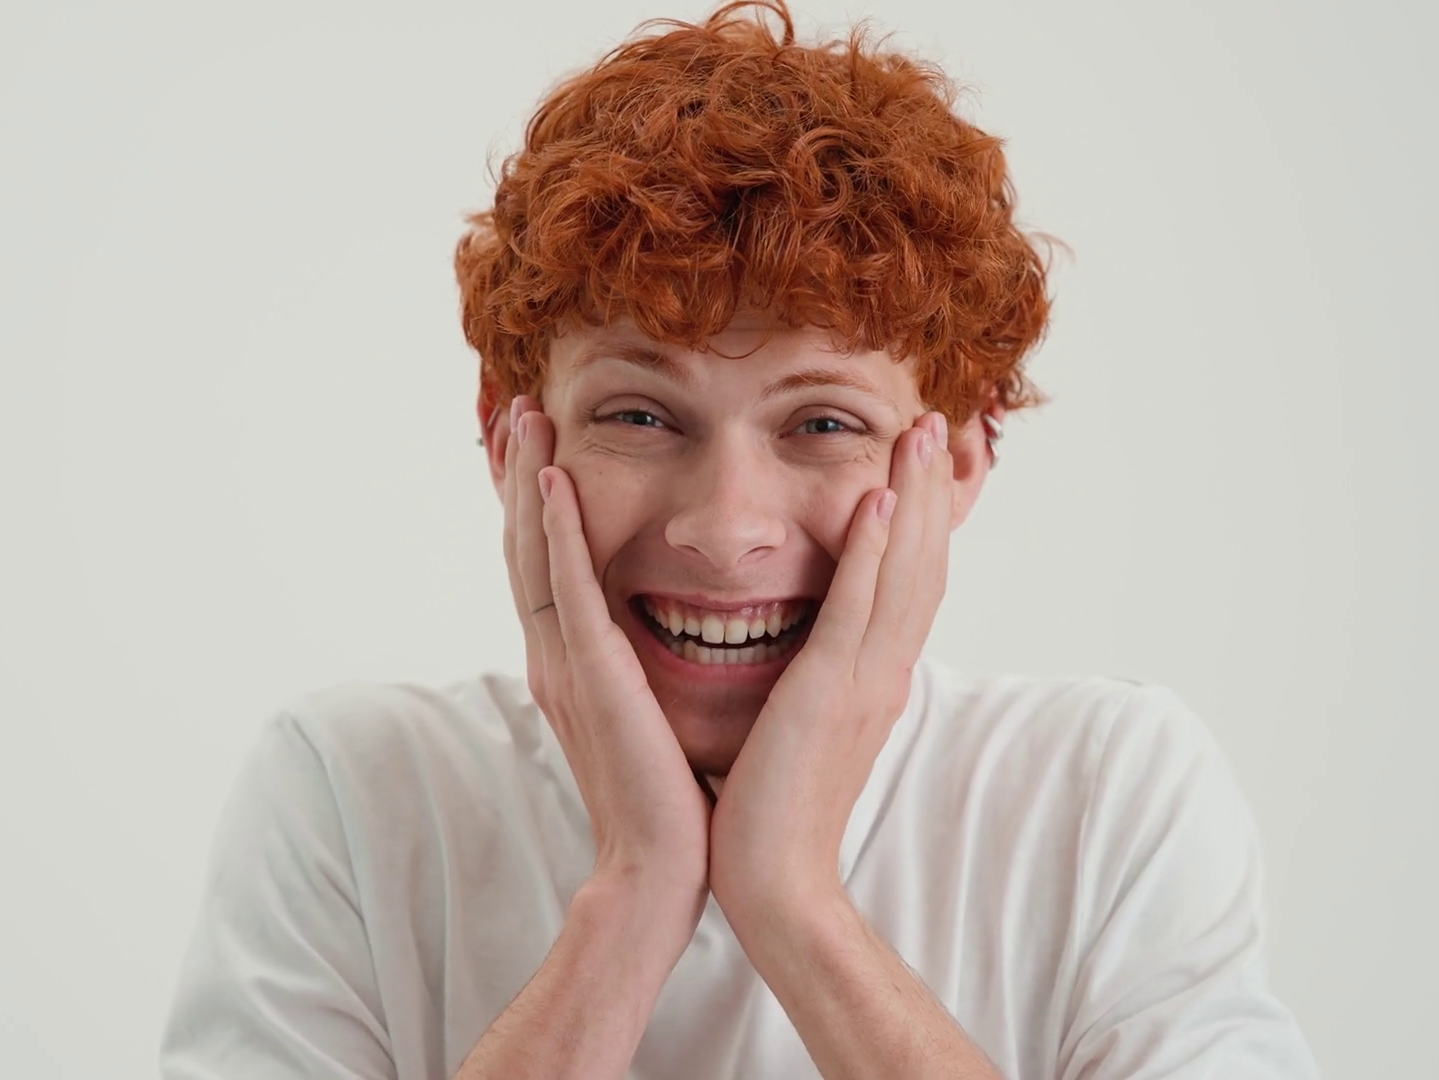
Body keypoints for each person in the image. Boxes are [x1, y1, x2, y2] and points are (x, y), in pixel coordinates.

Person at [160, 2, 1319, 1077]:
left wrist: (793, 900)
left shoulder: (1107, 791)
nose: (723, 532)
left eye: (823, 423)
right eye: (639, 415)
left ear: (961, 459)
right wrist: (634, 895)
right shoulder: (353, 794)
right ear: (509, 439)